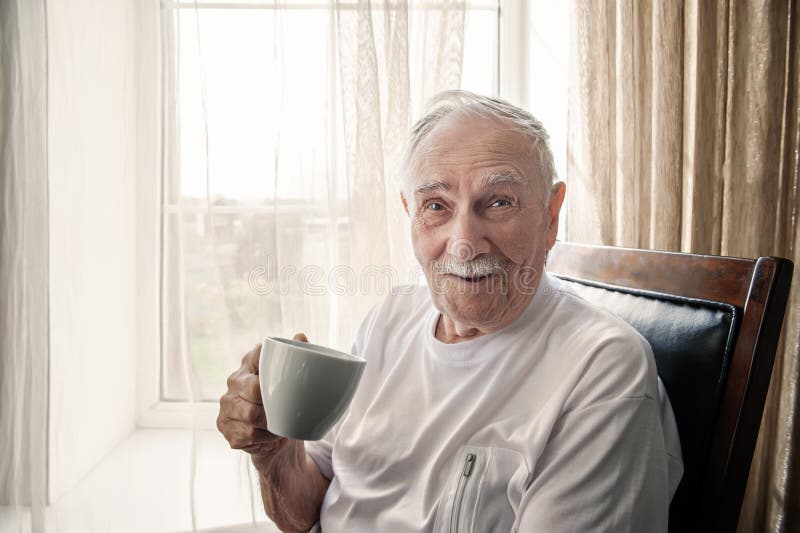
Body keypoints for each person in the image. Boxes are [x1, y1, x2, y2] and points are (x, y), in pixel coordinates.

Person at [216, 90, 683, 532]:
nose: (463, 243)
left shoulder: (603, 367)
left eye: (499, 202)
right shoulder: (388, 320)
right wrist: (273, 455)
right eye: (436, 206)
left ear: (550, 215)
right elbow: (307, 511)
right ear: (410, 214)